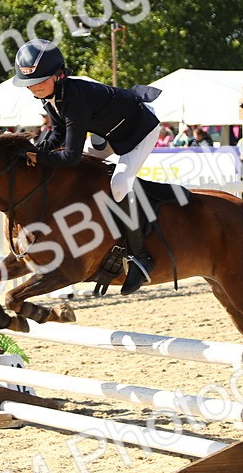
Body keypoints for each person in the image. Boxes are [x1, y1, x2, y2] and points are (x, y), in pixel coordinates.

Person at [13, 38, 162, 294]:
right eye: (29, 83)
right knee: (83, 173)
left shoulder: (74, 98)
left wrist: (40, 158)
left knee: (118, 184)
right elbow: (58, 132)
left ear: (59, 75)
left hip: (140, 130)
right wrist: (35, 151)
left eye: (39, 81)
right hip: (109, 133)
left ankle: (140, 256)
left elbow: (70, 156)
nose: (34, 88)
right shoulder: (52, 96)